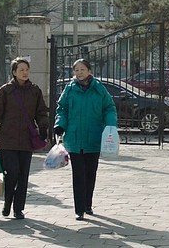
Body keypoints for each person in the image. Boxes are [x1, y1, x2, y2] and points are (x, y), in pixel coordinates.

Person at [0, 57, 49, 220]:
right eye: (21, 70)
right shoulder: (6, 90)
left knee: (23, 175)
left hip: (27, 140)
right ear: (14, 72)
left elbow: (41, 111)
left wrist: (43, 127)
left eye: (27, 70)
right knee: (12, 172)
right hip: (8, 140)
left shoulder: (34, 91)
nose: (25, 73)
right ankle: (7, 202)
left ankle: (18, 208)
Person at [54, 58, 117, 220]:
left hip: (93, 137)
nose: (79, 72)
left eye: (82, 69)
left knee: (90, 173)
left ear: (89, 71)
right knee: (78, 174)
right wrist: (60, 124)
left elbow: (109, 108)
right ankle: (79, 208)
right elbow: (62, 109)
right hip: (74, 139)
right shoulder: (69, 89)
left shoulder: (99, 88)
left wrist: (110, 125)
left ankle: (88, 203)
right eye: (76, 70)